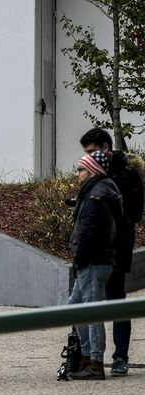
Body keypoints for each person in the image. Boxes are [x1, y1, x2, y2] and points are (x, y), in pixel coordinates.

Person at [80, 128, 144, 376]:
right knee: (89, 301)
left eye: (92, 151)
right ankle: (90, 356)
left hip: (116, 246)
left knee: (116, 300)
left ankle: (120, 356)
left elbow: (135, 214)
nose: (88, 156)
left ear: (106, 147)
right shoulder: (92, 173)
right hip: (95, 247)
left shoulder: (127, 175)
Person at [68, 150, 123, 380]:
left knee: (91, 311)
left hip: (92, 262)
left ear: (91, 170)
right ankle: (89, 356)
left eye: (80, 169)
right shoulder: (99, 191)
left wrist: (79, 260)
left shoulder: (95, 195)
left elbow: (89, 232)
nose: (77, 173)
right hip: (97, 260)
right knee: (75, 307)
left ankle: (95, 362)